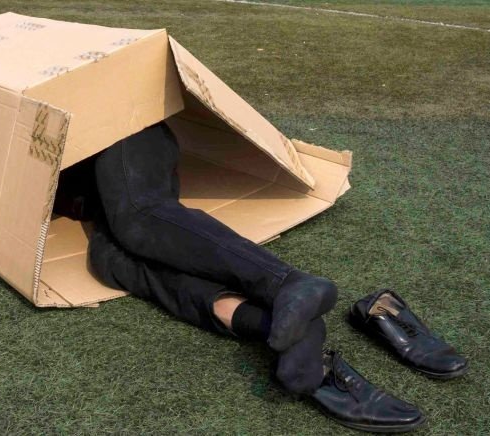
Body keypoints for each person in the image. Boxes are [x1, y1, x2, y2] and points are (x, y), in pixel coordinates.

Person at [53, 122, 468, 433]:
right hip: (86, 188)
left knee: (138, 216)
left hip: (117, 127)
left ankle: (287, 283)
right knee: (108, 261)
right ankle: (269, 324)